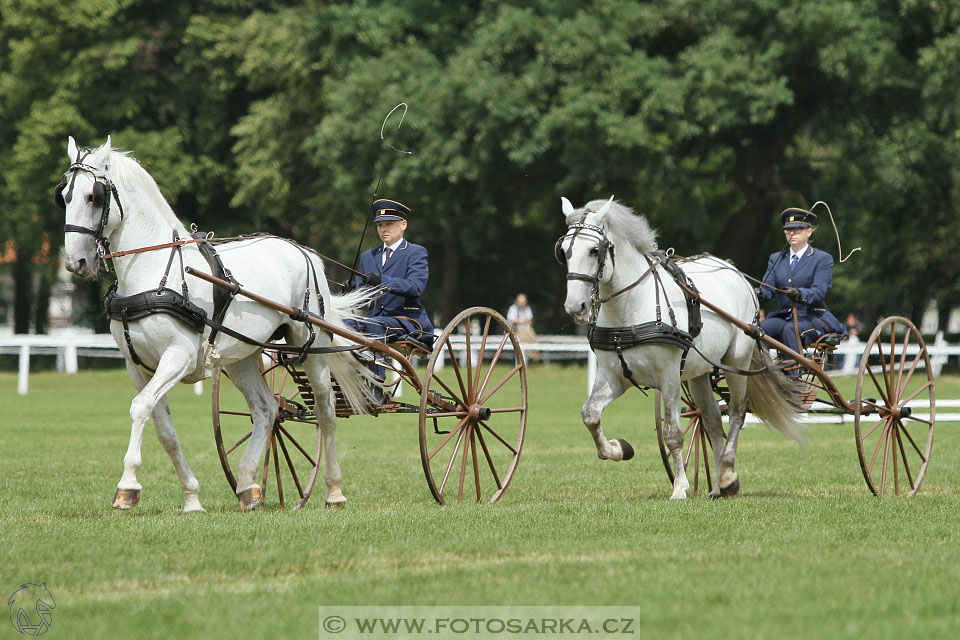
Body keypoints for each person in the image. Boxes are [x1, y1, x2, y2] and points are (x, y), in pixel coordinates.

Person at [347, 198, 434, 398]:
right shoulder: (368, 256)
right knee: (341, 324)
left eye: (389, 224)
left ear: (403, 225)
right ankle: (346, 381)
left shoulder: (415, 252)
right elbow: (361, 298)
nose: (383, 229)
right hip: (375, 321)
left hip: (407, 321)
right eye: (380, 225)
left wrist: (383, 281)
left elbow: (416, 287)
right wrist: (350, 291)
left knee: (373, 323)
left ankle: (376, 385)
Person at [757, 207, 846, 358]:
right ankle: (761, 374)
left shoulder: (822, 259)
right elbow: (767, 290)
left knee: (790, 329)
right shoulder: (776, 258)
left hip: (813, 317)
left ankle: (793, 376)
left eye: (797, 229)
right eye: (788, 230)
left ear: (809, 231)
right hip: (783, 316)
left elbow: (819, 291)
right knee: (758, 330)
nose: (792, 233)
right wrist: (756, 293)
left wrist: (800, 294)